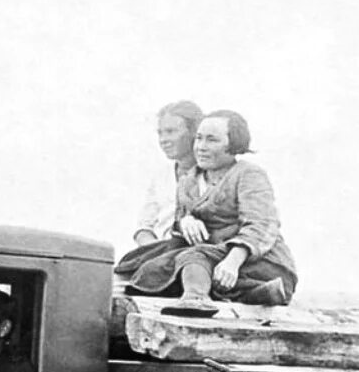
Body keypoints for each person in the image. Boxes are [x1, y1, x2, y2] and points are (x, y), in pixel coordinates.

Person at [115, 109, 298, 310]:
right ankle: (252, 293)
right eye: (199, 139)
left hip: (253, 261)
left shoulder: (248, 174)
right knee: (146, 258)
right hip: (210, 258)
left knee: (193, 257)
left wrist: (232, 262)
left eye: (212, 140)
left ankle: (197, 299)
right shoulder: (188, 181)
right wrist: (185, 222)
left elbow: (262, 225)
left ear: (234, 144)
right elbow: (179, 225)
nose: (201, 147)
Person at [131, 99, 205, 248]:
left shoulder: (215, 174)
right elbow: (144, 227)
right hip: (160, 253)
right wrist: (153, 250)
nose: (163, 140)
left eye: (171, 132)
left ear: (194, 133)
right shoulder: (161, 177)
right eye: (160, 133)